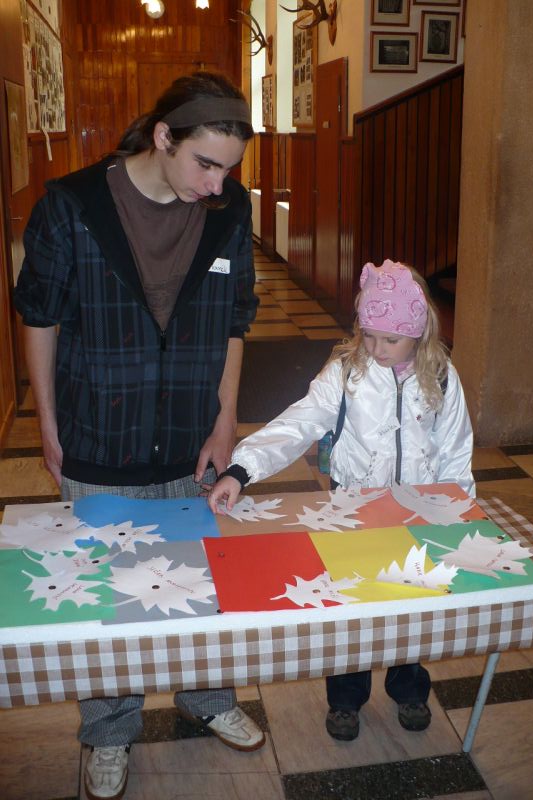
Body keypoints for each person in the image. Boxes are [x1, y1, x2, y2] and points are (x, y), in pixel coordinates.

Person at [14, 71, 263, 800]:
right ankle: (110, 730)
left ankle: (207, 696)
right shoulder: (72, 206)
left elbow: (235, 319)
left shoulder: (228, 209)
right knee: (108, 595)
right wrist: (48, 424)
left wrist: (225, 417)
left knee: (200, 578)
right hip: (99, 428)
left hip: (190, 430)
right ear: (163, 137)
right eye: (205, 164)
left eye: (228, 170)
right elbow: (39, 318)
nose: (216, 185)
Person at [208, 259, 474, 743]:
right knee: (352, 607)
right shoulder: (347, 373)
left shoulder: (441, 377)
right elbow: (299, 422)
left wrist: (460, 514)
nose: (377, 349)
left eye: (390, 340)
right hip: (353, 512)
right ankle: (346, 699)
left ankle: (409, 687)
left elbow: (456, 451)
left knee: (410, 605)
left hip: (417, 515)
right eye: (368, 335)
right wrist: (242, 469)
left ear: (418, 333)